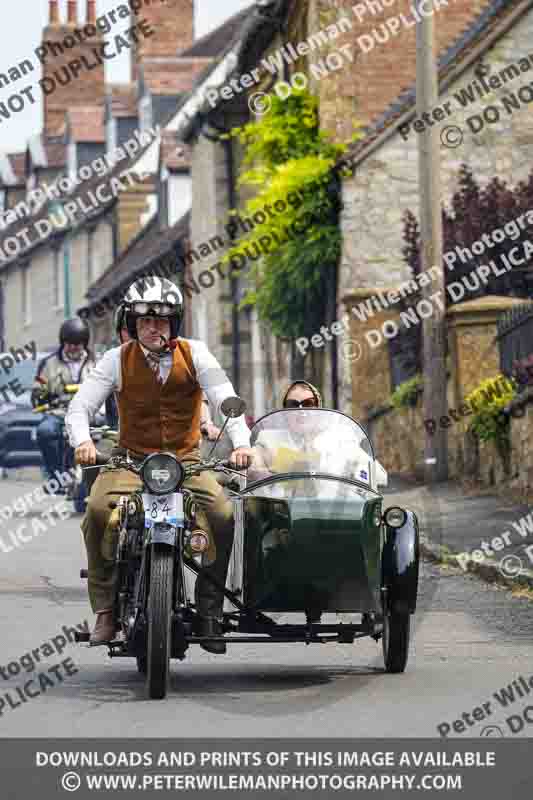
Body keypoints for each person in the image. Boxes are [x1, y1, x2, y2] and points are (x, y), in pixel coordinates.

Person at [66, 276, 253, 652]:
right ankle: (105, 611)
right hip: (131, 461)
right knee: (99, 513)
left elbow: (224, 397)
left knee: (221, 515)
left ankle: (209, 613)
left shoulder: (197, 353)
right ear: (133, 324)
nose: (154, 327)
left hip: (187, 463)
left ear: (174, 324)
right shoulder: (114, 360)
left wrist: (242, 444)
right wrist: (84, 441)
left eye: (163, 320)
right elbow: (80, 407)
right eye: (146, 320)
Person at [32, 318, 95, 488]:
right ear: (63, 342)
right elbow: (38, 389)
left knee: (108, 433)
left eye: (78, 343)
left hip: (88, 413)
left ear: (84, 343)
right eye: (70, 343)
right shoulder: (48, 364)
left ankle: (101, 475)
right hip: (59, 412)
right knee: (45, 431)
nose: (74, 347)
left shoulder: (96, 362)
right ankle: (55, 476)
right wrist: (43, 394)